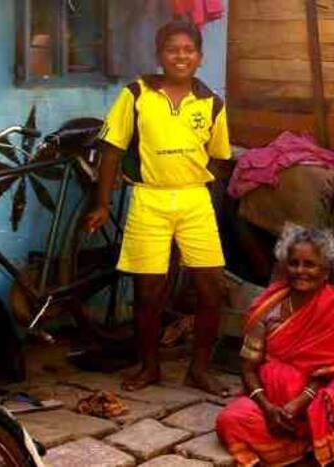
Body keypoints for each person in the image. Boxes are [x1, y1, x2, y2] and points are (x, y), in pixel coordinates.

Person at [84, 20, 231, 395]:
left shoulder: (212, 103)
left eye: (188, 50)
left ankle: (199, 369)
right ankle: (149, 367)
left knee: (211, 288)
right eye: (172, 50)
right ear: (159, 55)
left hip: (195, 199)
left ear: (200, 57)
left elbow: (218, 157)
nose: (181, 56)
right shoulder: (136, 95)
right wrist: (102, 203)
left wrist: (199, 191)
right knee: (148, 291)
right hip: (149, 199)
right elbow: (112, 149)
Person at [216, 225, 334, 467]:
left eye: (309, 264)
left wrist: (299, 403)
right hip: (274, 403)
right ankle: (310, 447)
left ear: (326, 270)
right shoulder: (267, 307)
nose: (300, 271)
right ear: (285, 266)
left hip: (317, 400)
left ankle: (326, 442)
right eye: (294, 263)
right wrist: (268, 408)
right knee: (229, 420)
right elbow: (248, 368)